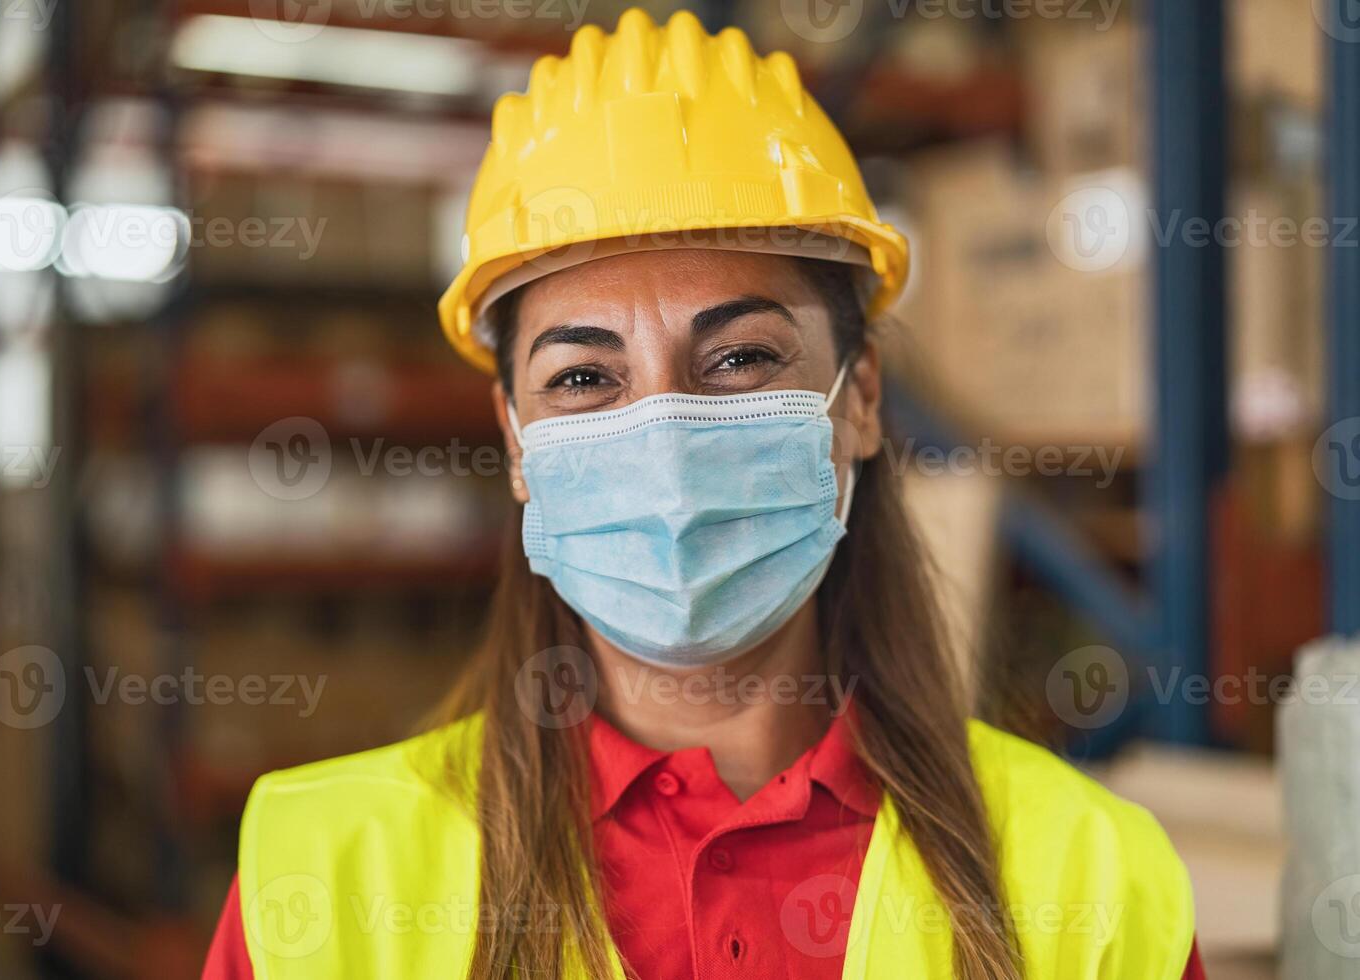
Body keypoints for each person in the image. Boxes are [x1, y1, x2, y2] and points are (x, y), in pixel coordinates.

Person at [204, 9, 1205, 979]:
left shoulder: (1093, 879)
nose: (666, 434)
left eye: (738, 356)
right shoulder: (323, 879)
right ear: (517, 441)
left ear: (857, 401)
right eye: (585, 377)